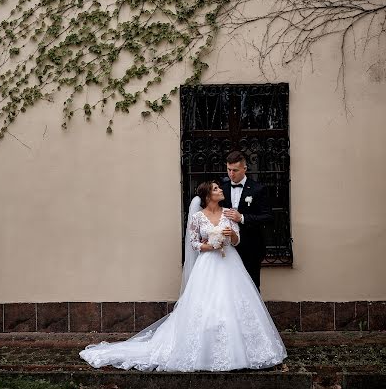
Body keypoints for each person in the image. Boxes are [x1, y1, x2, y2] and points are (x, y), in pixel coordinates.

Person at [79, 180, 286, 372]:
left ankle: (241, 350)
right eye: (216, 189)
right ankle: (204, 349)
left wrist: (230, 236)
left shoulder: (228, 214)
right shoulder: (197, 218)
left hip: (230, 263)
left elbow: (237, 240)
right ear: (207, 196)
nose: (221, 189)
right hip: (208, 264)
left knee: (235, 303)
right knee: (205, 305)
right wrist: (209, 245)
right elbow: (194, 243)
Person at [221, 150, 273, 292]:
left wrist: (242, 218)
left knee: (251, 287)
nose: (231, 174)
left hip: (251, 247)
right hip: (228, 248)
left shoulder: (258, 189)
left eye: (235, 170)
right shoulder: (222, 189)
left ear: (244, 169)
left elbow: (267, 217)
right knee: (228, 288)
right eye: (229, 170)